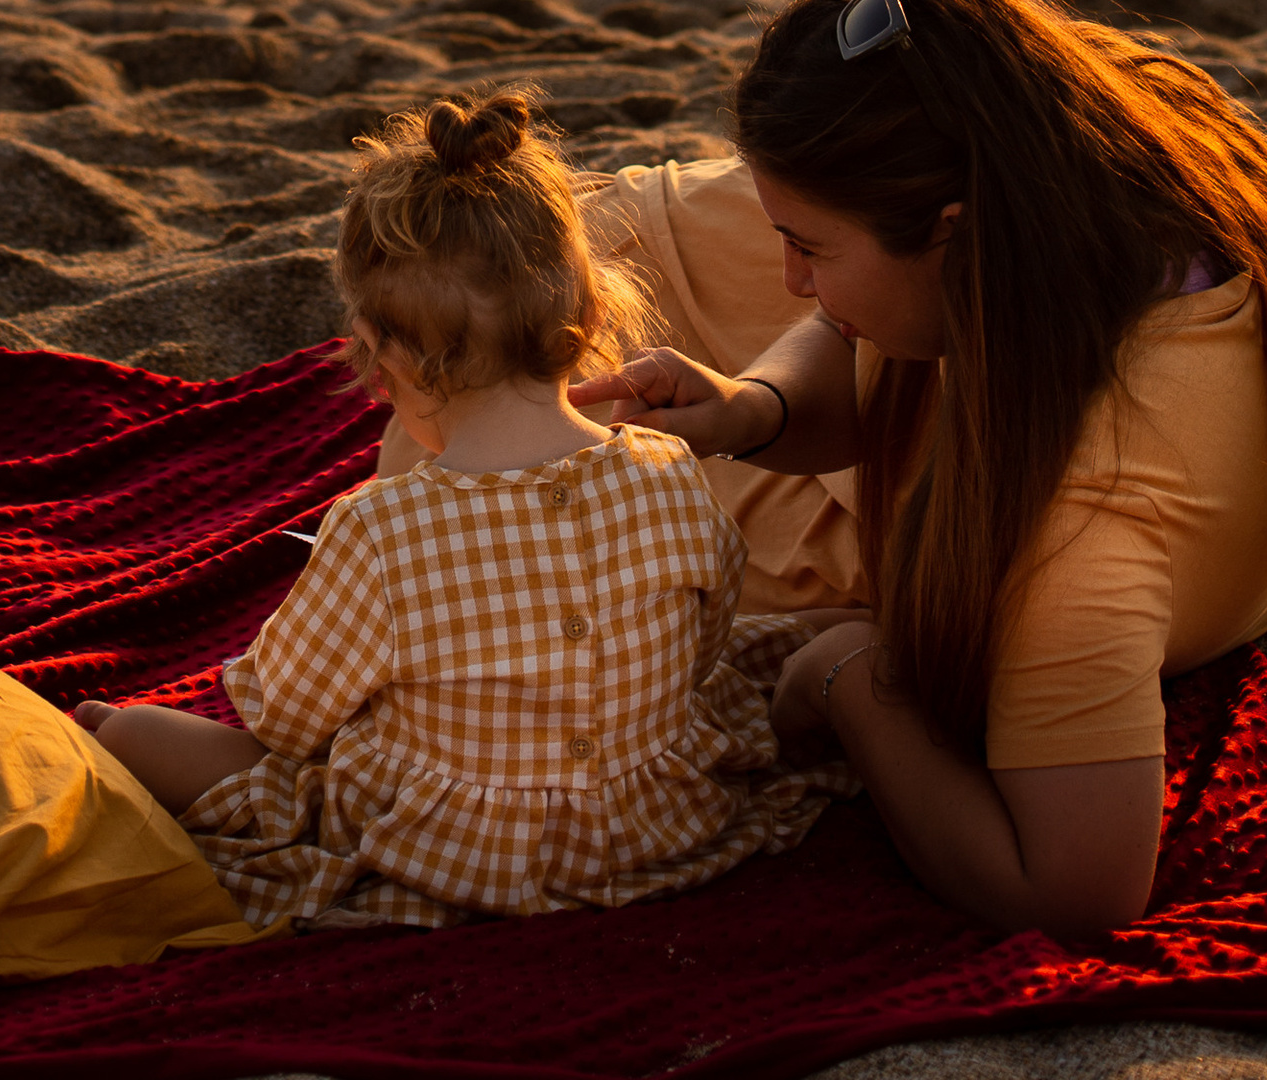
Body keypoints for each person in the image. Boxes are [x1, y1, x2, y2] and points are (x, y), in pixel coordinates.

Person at [576, 0, 1267, 948]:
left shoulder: (1073, 543)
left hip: (1077, 515)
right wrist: (756, 408)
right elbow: (844, 327)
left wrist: (850, 683)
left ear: (954, 235)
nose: (791, 278)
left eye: (807, 248)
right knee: (572, 253)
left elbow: (1072, 892)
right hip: (1033, 419)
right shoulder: (1095, 155)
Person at [78, 88, 844, 927]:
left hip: (456, 849)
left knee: (128, 733)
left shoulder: (380, 529)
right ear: (590, 315)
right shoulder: (670, 469)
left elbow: (286, 717)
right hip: (654, 825)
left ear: (376, 355)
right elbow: (702, 648)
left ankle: (101, 735)